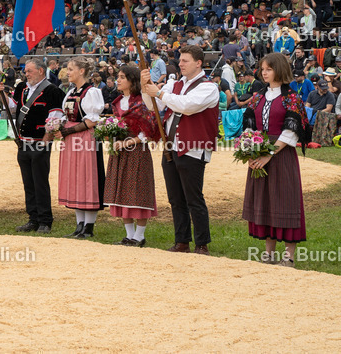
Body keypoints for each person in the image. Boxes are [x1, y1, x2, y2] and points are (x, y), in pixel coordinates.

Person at [142, 44, 220, 255]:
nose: (181, 64)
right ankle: (182, 241)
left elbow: (186, 106)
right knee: (175, 198)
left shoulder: (209, 87)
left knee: (194, 198)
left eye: (185, 60)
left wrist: (158, 92)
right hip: (171, 146)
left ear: (198, 63)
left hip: (192, 148)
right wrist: (145, 87)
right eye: (180, 60)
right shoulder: (175, 84)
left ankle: (201, 244)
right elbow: (153, 106)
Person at [242, 52, 308, 267]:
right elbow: (249, 127)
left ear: (279, 70)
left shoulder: (292, 98)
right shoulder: (257, 97)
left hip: (281, 156)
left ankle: (289, 257)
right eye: (262, 69)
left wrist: (268, 154)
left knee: (285, 200)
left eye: (268, 69)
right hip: (259, 155)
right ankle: (268, 254)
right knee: (265, 201)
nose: (264, 73)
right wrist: (250, 152)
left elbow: (291, 131)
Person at [0, 57, 65, 234]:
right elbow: (13, 107)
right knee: (28, 184)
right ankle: (33, 218)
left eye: (29, 71)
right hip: (23, 143)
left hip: (39, 143)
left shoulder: (53, 91)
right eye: (25, 71)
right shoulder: (21, 88)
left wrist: (45, 142)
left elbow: (54, 118)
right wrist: (1, 94)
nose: (26, 74)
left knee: (40, 183)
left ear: (40, 71)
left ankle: (45, 220)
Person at [105, 64, 159, 247]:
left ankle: (139, 236)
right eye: (118, 77)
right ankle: (129, 236)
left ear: (132, 80)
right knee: (121, 191)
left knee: (138, 191)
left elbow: (149, 131)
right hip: (119, 152)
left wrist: (127, 142)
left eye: (122, 77)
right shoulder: (117, 102)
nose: (118, 80)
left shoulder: (142, 102)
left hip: (137, 152)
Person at [55, 58, 106, 239]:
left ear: (82, 71)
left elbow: (92, 121)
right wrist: (58, 126)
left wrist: (68, 130)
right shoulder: (71, 92)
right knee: (75, 178)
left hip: (86, 139)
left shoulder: (91, 92)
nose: (67, 72)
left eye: (71, 69)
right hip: (71, 140)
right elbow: (67, 115)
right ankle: (79, 225)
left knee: (87, 178)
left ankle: (88, 227)